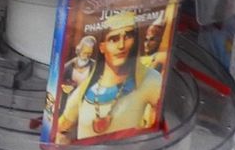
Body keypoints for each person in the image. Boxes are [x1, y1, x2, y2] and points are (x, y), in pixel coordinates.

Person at [55, 10, 165, 142]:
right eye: (114, 39)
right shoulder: (83, 91)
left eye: (128, 36)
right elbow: (59, 130)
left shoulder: (150, 79)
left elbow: (161, 126)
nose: (121, 45)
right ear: (102, 47)